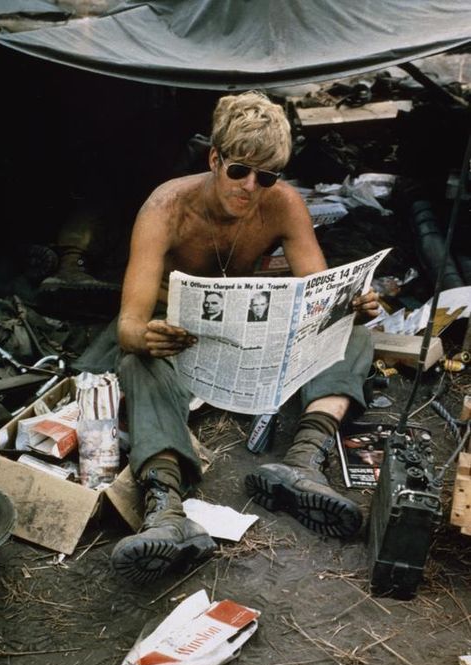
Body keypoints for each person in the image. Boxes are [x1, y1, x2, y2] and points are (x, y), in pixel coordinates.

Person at [110, 91, 379, 584]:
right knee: (134, 361)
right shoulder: (166, 207)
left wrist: (352, 307)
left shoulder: (283, 204)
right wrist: (149, 337)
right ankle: (166, 507)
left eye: (266, 177)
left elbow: (318, 294)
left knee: (353, 335)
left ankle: (302, 463)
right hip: (182, 343)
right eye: (239, 171)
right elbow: (129, 324)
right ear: (214, 159)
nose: (250, 187)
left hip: (250, 343)